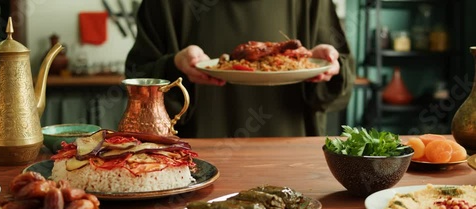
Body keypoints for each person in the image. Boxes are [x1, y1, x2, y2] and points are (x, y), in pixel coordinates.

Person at [125, 0, 355, 138]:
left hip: (291, 158)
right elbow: (138, 80)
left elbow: (340, 86)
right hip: (194, 164)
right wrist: (174, 64)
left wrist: (328, 68)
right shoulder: (164, 4)